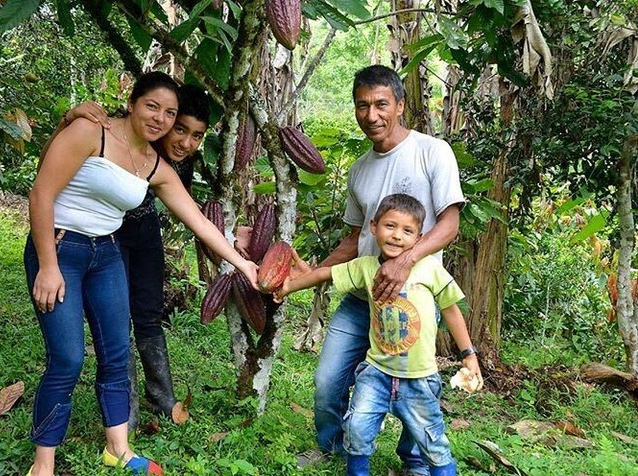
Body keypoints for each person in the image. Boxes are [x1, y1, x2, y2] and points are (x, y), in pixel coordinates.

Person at [24, 72, 258, 476]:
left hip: (107, 254)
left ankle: (118, 449)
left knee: (116, 354)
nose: (161, 119)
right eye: (152, 106)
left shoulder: (156, 165)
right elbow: (41, 192)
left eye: (169, 113)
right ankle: (43, 463)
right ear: (132, 102)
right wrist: (48, 265)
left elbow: (200, 223)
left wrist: (243, 264)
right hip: (62, 248)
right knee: (67, 359)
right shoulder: (90, 131)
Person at [298, 65, 466, 475]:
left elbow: (450, 223)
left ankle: (415, 462)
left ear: (400, 105)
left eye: (380, 104)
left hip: (414, 299)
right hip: (362, 299)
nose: (371, 115)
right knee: (327, 382)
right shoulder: (359, 169)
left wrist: (406, 261)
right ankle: (331, 445)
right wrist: (310, 272)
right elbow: (356, 239)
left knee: (416, 382)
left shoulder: (432, 151)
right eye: (362, 105)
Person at [276, 193, 482, 476]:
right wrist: (288, 286)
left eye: (407, 230)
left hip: (420, 378)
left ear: (419, 237)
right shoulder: (365, 267)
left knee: (432, 441)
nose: (397, 236)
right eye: (390, 226)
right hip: (376, 373)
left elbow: (451, 310)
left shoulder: (430, 269)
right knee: (358, 430)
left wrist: (468, 354)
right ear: (373, 227)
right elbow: (324, 275)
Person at [63, 83, 210, 426]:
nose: (186, 143)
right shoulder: (125, 138)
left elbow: (188, 209)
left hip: (144, 234)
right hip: (106, 236)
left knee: (148, 313)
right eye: (180, 130)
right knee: (117, 321)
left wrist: (231, 237)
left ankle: (163, 400)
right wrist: (70, 116)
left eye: (197, 136)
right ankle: (122, 414)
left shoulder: (176, 160)